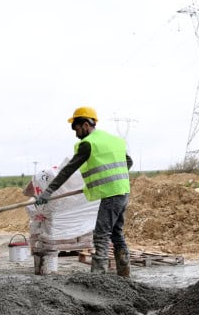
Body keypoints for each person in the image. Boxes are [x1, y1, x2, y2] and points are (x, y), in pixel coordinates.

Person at [35, 107, 133, 276]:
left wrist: (48, 191)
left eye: (76, 128)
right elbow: (128, 162)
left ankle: (98, 277)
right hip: (123, 191)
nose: (76, 133)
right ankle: (124, 273)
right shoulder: (113, 140)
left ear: (86, 125)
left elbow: (68, 170)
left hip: (111, 195)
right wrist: (113, 178)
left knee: (101, 235)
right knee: (116, 234)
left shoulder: (88, 144)